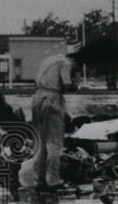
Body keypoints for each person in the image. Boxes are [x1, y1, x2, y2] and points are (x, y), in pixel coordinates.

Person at [29, 48, 84, 190]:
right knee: (54, 142)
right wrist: (76, 82)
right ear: (76, 62)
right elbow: (66, 86)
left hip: (37, 98)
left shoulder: (49, 60)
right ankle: (53, 180)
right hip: (52, 99)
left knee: (40, 142)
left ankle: (37, 180)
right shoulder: (66, 64)